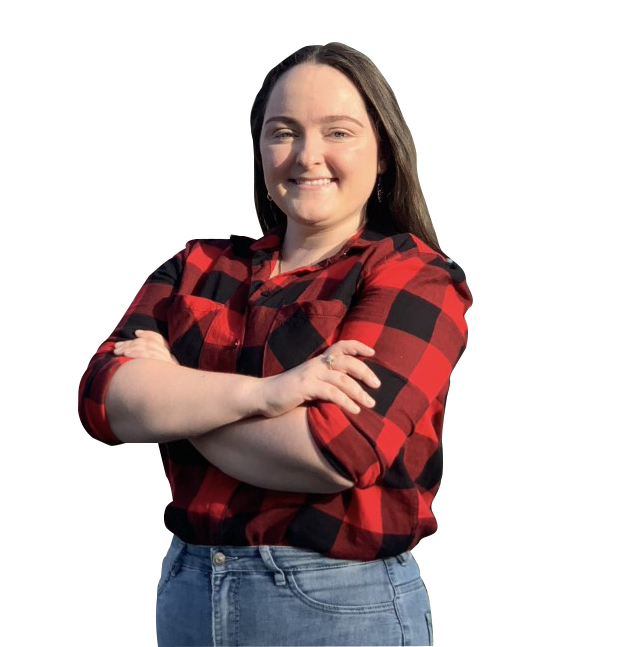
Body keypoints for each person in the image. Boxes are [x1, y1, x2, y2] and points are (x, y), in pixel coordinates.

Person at [78, 42, 473, 647]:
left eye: (338, 132)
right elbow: (103, 400)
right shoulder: (198, 267)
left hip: (338, 603)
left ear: (385, 151)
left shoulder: (414, 277)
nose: (307, 155)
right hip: (190, 589)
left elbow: (335, 451)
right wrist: (268, 395)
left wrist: (176, 404)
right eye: (283, 132)